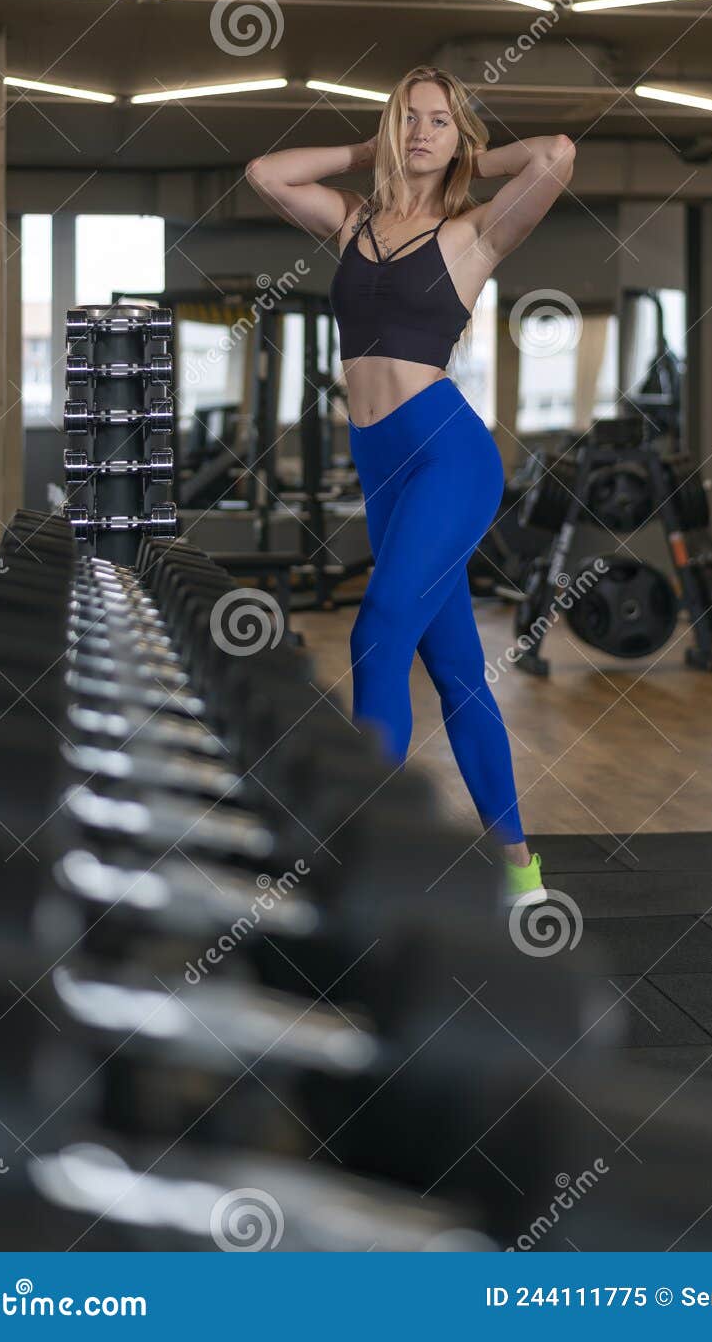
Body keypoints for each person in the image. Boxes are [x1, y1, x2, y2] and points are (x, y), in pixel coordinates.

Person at [247, 64, 576, 906]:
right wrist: (369, 147)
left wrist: (472, 154)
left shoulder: (474, 234)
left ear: (457, 134)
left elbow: (556, 155)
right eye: (408, 119)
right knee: (458, 669)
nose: (420, 131)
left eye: (437, 120)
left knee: (377, 632)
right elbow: (265, 173)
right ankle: (520, 873)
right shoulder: (354, 223)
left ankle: (361, 861)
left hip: (447, 456)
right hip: (381, 465)